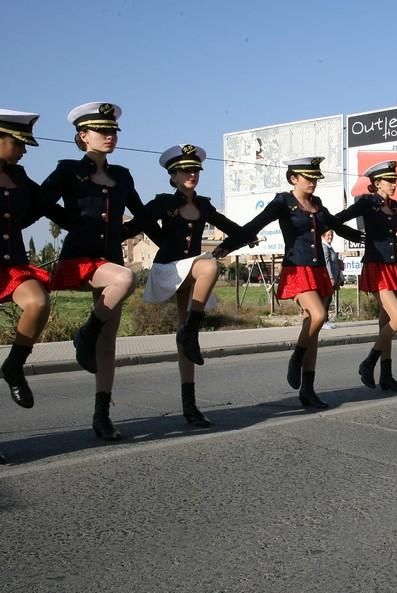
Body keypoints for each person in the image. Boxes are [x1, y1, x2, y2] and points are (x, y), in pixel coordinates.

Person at [41, 102, 162, 441]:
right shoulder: (67, 170)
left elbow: (140, 215)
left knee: (108, 342)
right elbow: (39, 202)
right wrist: (75, 224)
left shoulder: (122, 175)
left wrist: (137, 229)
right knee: (126, 278)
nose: (110, 136)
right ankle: (83, 334)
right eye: (102, 131)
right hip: (79, 260)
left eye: (113, 131)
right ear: (83, 136)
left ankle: (101, 415)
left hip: (109, 262)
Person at [215, 156, 361, 410]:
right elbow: (255, 224)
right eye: (308, 178)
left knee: (313, 331)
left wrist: (367, 238)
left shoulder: (317, 204)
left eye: (316, 178)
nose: (313, 182)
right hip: (297, 269)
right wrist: (227, 247)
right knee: (318, 316)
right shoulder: (283, 202)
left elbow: (338, 226)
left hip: (318, 272)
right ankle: (296, 357)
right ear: (294, 178)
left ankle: (308, 390)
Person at [133, 144, 252, 426]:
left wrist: (228, 245)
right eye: (186, 170)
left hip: (193, 271)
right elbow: (134, 226)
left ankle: (190, 405)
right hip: (168, 269)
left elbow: (235, 228)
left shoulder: (203, 205)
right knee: (209, 265)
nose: (192, 174)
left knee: (185, 341)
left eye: (196, 169)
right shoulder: (164, 202)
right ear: (173, 176)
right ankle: (193, 329)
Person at [334, 160, 397, 392]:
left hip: (392, 265)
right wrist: (354, 235)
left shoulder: (394, 207)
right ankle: (369, 363)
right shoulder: (367, 203)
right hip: (376, 266)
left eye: (395, 180)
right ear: (377, 183)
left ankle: (386, 375)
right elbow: (338, 219)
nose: (394, 184)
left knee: (386, 321)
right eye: (390, 181)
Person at [0, 110, 54, 454]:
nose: (24, 150)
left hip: (13, 264)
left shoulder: (19, 175)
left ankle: (14, 365)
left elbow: (43, 205)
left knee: (39, 302)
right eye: (18, 143)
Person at [321, 229, 344, 329]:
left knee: (329, 299)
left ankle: (326, 319)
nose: (330, 237)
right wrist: (331, 277)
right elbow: (327, 263)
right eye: (328, 235)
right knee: (326, 299)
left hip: (333, 277)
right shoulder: (325, 247)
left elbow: (333, 260)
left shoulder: (329, 247)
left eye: (331, 235)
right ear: (323, 236)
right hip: (328, 278)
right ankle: (323, 321)